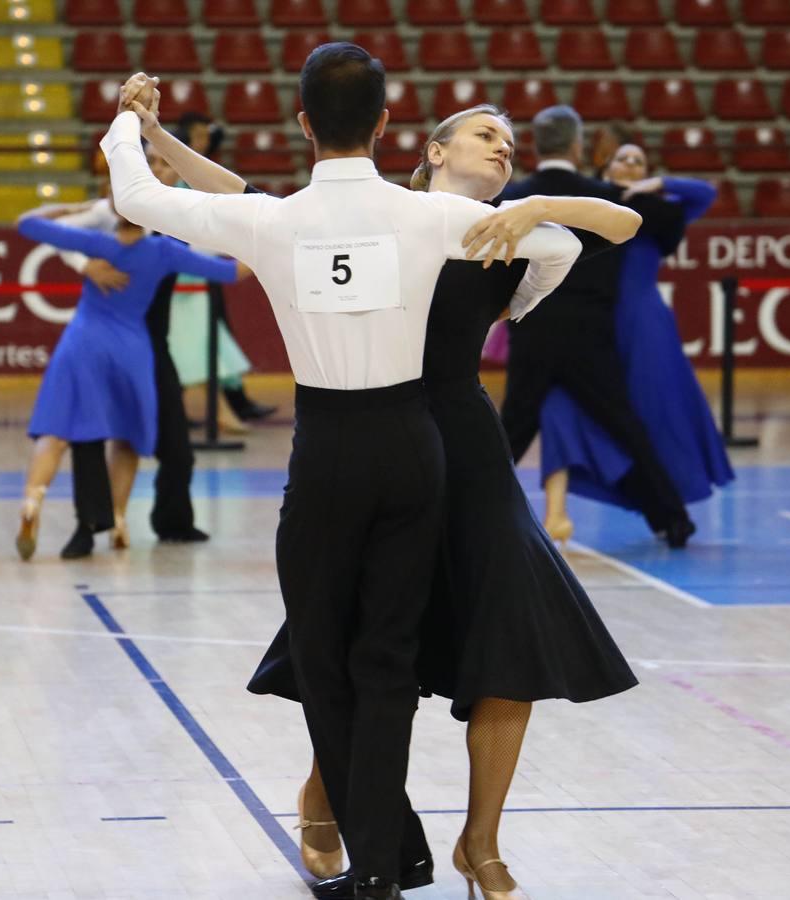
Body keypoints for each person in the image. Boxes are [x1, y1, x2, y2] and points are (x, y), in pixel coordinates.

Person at [105, 47, 606, 898]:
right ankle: (381, 855)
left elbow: (145, 199)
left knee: (338, 655)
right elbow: (569, 241)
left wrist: (128, 123)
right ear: (389, 126)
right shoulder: (422, 219)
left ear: (304, 124)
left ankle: (403, 846)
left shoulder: (285, 222)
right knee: (384, 660)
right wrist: (536, 223)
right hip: (412, 443)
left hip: (339, 448)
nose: (499, 150)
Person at [498, 106, 696, 549]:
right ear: (577, 146)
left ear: (535, 147)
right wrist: (644, 185)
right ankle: (673, 518)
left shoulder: (515, 199)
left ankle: (458, 514)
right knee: (625, 426)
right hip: (592, 333)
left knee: (509, 434)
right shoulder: (604, 196)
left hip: (533, 330)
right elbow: (676, 217)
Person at [12, 200, 243, 560]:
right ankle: (118, 520)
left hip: (85, 340)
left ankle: (31, 502)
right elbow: (229, 273)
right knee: (127, 439)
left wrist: (67, 207)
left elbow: (27, 223)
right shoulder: (164, 250)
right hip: (131, 348)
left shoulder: (99, 244)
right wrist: (272, 251)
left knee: (56, 432)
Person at [538, 142, 734, 540]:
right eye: (622, 159)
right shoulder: (587, 204)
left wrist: (653, 185)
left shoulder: (658, 212)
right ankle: (556, 514)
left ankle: (667, 507)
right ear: (605, 167)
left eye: (639, 161)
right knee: (559, 406)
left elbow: (706, 193)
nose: (629, 165)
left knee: (652, 416)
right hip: (589, 323)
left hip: (643, 326)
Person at [174, 111, 277, 423]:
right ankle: (189, 408)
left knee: (206, 337)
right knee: (189, 340)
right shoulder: (180, 177)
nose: (206, 139)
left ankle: (231, 401)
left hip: (204, 266)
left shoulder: (200, 169)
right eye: (200, 134)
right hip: (190, 269)